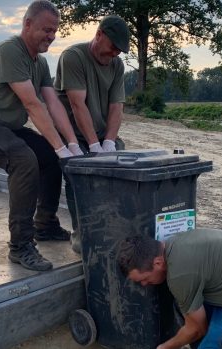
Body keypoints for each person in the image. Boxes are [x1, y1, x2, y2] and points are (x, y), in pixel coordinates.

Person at [0, 0, 83, 272]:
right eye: (46, 29)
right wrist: (61, 148)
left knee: (47, 155)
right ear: (27, 24)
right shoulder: (9, 50)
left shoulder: (41, 63)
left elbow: (53, 104)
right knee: (23, 160)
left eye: (54, 30)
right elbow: (32, 105)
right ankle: (20, 246)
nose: (51, 35)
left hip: (3, 125)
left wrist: (70, 145)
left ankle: (44, 224)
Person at [53, 15, 130, 253]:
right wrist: (94, 147)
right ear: (98, 35)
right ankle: (82, 237)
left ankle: (112, 229)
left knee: (120, 169)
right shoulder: (73, 57)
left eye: (119, 50)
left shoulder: (117, 65)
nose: (115, 53)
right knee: (79, 178)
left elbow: (117, 106)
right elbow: (78, 105)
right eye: (112, 47)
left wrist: (108, 142)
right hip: (72, 135)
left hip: (99, 134)